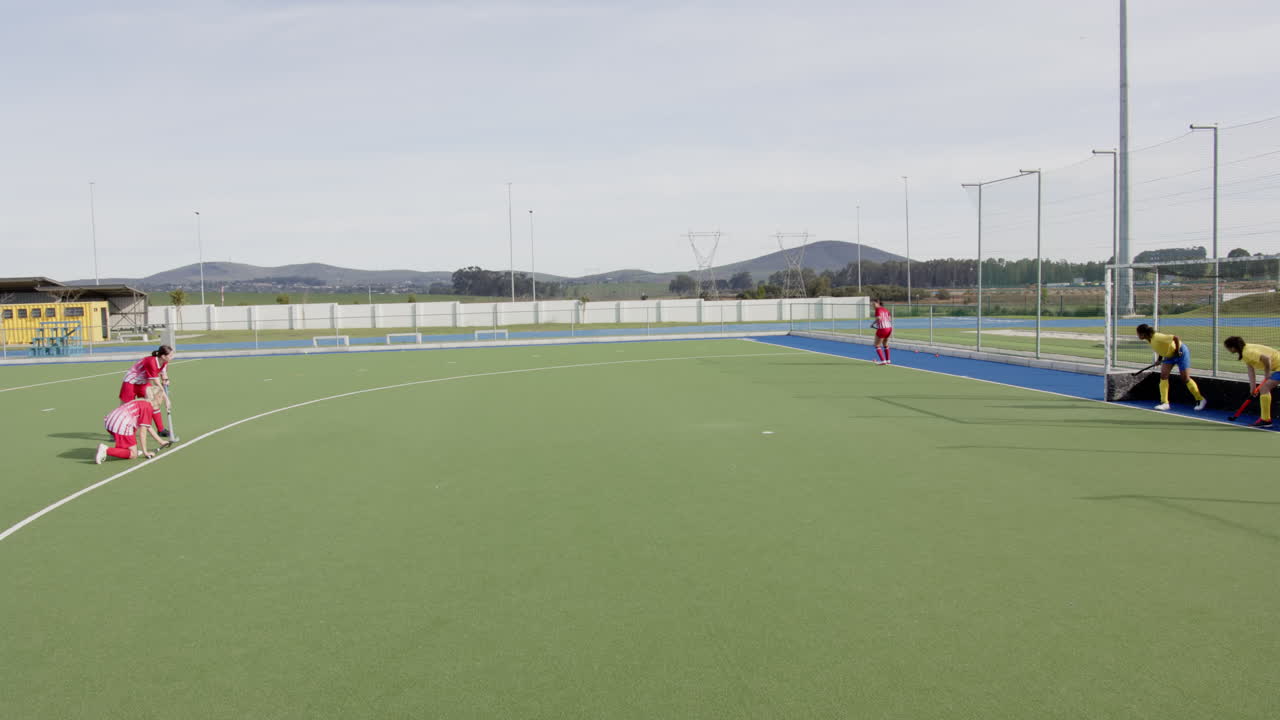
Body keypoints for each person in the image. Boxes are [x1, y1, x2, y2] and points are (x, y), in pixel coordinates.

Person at [1135, 324, 1206, 412]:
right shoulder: (1150, 340)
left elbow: (1175, 338)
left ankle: (1200, 399)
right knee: (1163, 376)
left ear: (1143, 334)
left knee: (1185, 378)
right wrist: (1159, 359)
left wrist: (1177, 351)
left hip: (1181, 353)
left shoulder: (1157, 337)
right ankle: (1165, 403)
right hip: (1169, 356)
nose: (1137, 335)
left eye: (1138, 334)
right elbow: (1162, 348)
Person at [95, 388, 171, 463]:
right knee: (133, 454)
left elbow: (148, 426)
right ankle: (105, 449)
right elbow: (143, 432)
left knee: (134, 428)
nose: (163, 400)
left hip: (109, 422)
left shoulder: (142, 401)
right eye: (162, 397)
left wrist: (161, 441)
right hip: (120, 425)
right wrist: (145, 452)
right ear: (158, 397)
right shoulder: (147, 407)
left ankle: (127, 449)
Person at [1223, 336, 1279, 428]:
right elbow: (1251, 369)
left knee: (1264, 388)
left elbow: (1266, 359)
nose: (1228, 350)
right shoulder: (1245, 352)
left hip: (1279, 366)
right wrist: (1252, 388)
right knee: (1264, 388)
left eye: (1227, 348)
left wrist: (1267, 373)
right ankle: (1265, 419)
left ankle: (1265, 420)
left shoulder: (1247, 352)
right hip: (1278, 367)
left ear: (1233, 348)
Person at [119, 345, 172, 437]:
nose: (172, 357)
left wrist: (166, 379)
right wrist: (166, 399)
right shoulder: (151, 361)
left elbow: (164, 373)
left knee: (154, 402)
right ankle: (118, 431)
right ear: (163, 356)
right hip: (130, 382)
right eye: (170, 355)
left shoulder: (165, 362)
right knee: (126, 408)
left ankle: (161, 429)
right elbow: (156, 383)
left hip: (143, 382)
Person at [870, 298, 893, 365]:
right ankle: (888, 360)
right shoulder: (885, 309)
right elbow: (889, 319)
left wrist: (872, 324)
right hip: (889, 328)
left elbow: (879, 318)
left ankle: (883, 361)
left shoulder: (877, 310)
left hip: (882, 329)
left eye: (873, 304)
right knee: (885, 344)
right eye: (872, 304)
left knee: (876, 344)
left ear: (878, 303)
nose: (873, 305)